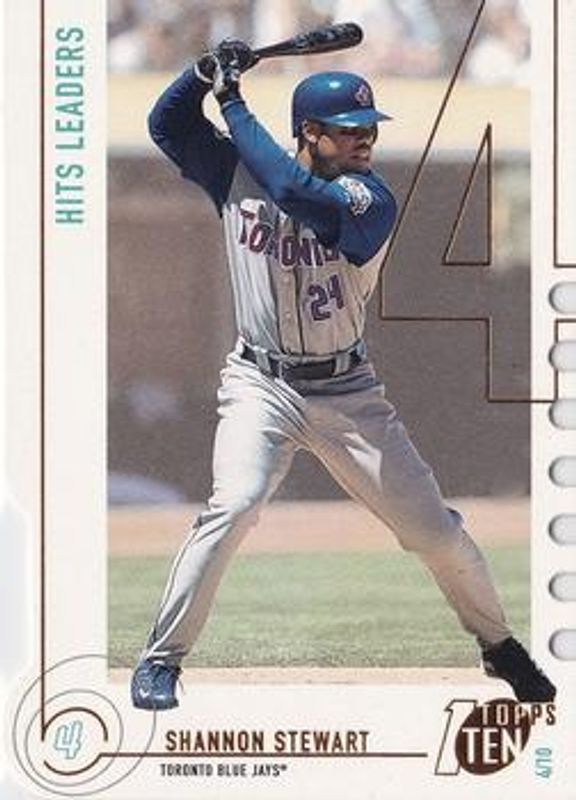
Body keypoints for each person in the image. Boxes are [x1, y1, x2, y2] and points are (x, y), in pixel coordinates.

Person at [130, 39, 556, 710]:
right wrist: (202, 72)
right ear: (310, 131)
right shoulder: (234, 169)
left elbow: (292, 191)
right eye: (350, 129)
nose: (365, 140)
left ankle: (500, 646)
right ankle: (161, 660)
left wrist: (232, 97)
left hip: (347, 392)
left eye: (369, 129)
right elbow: (166, 125)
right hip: (260, 385)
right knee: (233, 506)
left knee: (435, 532)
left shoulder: (369, 199)